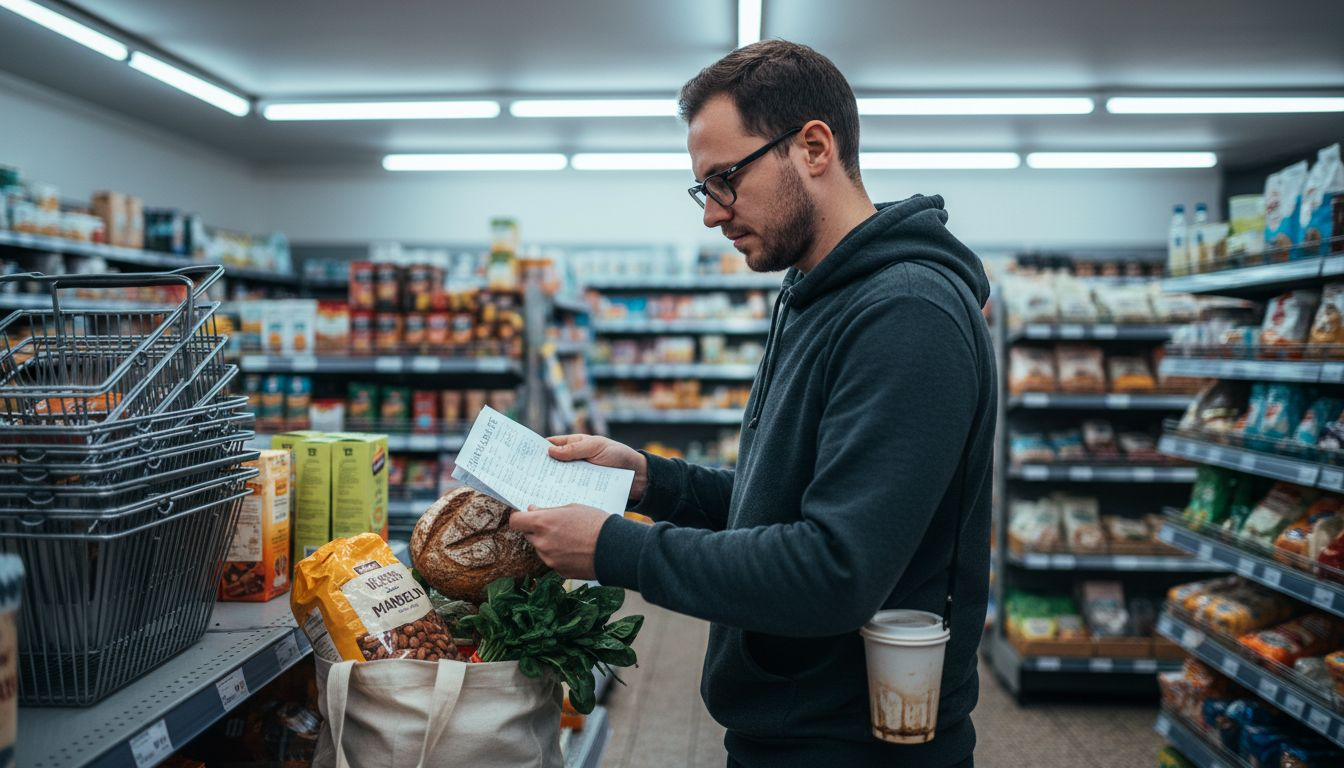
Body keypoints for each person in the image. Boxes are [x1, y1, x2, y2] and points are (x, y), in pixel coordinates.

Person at [509, 39, 995, 768]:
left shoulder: (905, 315)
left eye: (725, 179)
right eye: (702, 189)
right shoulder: (813, 294)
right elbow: (792, 503)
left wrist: (615, 547)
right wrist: (654, 481)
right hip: (794, 726)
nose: (712, 213)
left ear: (814, 147)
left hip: (856, 747)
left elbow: (834, 570)